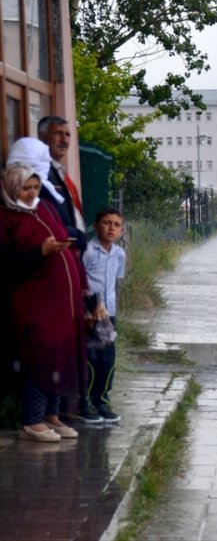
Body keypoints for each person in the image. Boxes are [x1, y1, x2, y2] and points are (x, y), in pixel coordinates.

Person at [0, 163, 87, 442]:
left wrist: (83, 286)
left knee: (59, 355)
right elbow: (7, 262)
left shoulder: (44, 208)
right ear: (13, 187)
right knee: (40, 355)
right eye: (26, 187)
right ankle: (32, 420)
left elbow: (67, 246)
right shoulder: (6, 216)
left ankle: (51, 415)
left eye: (36, 187)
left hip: (61, 303)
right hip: (33, 301)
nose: (31, 193)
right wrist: (41, 251)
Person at [80, 207, 126, 424]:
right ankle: (85, 402)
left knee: (107, 359)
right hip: (90, 313)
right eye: (107, 223)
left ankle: (102, 400)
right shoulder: (88, 251)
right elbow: (81, 282)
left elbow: (116, 282)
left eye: (116, 225)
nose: (111, 228)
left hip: (109, 314)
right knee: (91, 358)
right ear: (96, 226)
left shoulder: (119, 254)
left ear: (121, 230)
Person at [37, 116, 87, 252]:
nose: (64, 140)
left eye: (67, 135)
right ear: (41, 137)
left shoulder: (59, 172)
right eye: (58, 133)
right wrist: (73, 233)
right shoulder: (40, 175)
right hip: (58, 249)